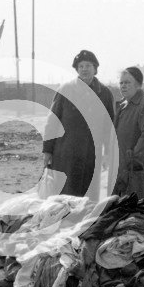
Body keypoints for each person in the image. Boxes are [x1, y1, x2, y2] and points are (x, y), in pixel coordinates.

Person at [42, 50, 115, 200]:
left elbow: (109, 127)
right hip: (66, 153)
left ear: (95, 69)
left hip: (91, 154)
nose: (84, 69)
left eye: (88, 65)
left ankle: (85, 223)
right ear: (76, 69)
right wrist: (47, 151)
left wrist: (108, 152)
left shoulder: (105, 93)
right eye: (81, 66)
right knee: (65, 196)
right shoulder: (66, 90)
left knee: (88, 196)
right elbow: (52, 122)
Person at [111, 67, 144, 201]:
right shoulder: (122, 105)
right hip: (121, 169)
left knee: (139, 210)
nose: (123, 86)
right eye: (121, 83)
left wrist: (133, 160)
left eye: (127, 82)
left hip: (137, 171)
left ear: (138, 84)